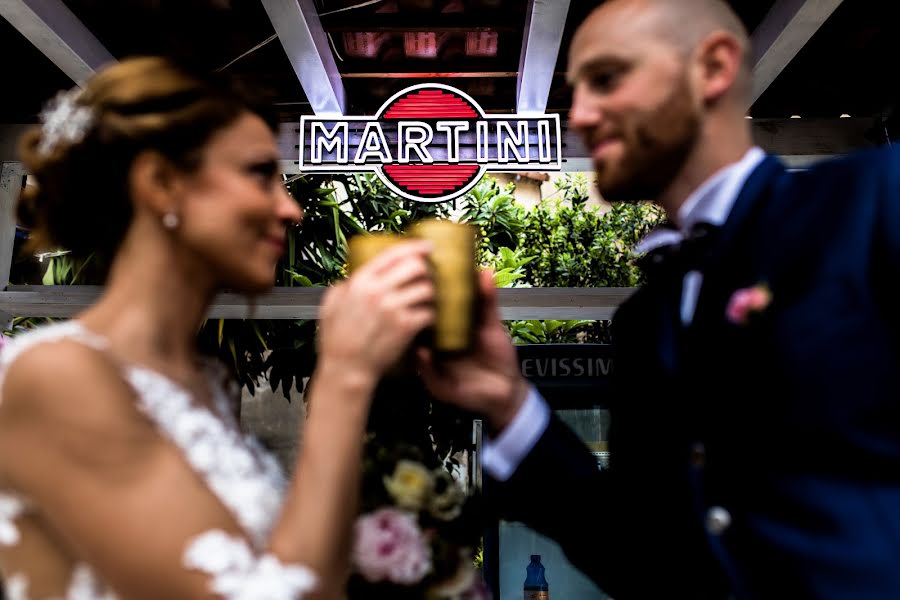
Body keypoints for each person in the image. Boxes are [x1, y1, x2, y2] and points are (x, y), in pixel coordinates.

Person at [419, 0, 900, 598]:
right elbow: (646, 559)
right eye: (576, 90)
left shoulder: (876, 199)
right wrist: (508, 404)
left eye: (608, 79)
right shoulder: (644, 321)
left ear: (714, 68)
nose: (583, 115)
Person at [0, 56, 436, 599]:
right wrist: (345, 377)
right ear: (161, 183)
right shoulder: (56, 376)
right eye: (260, 174)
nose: (291, 210)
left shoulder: (206, 380)